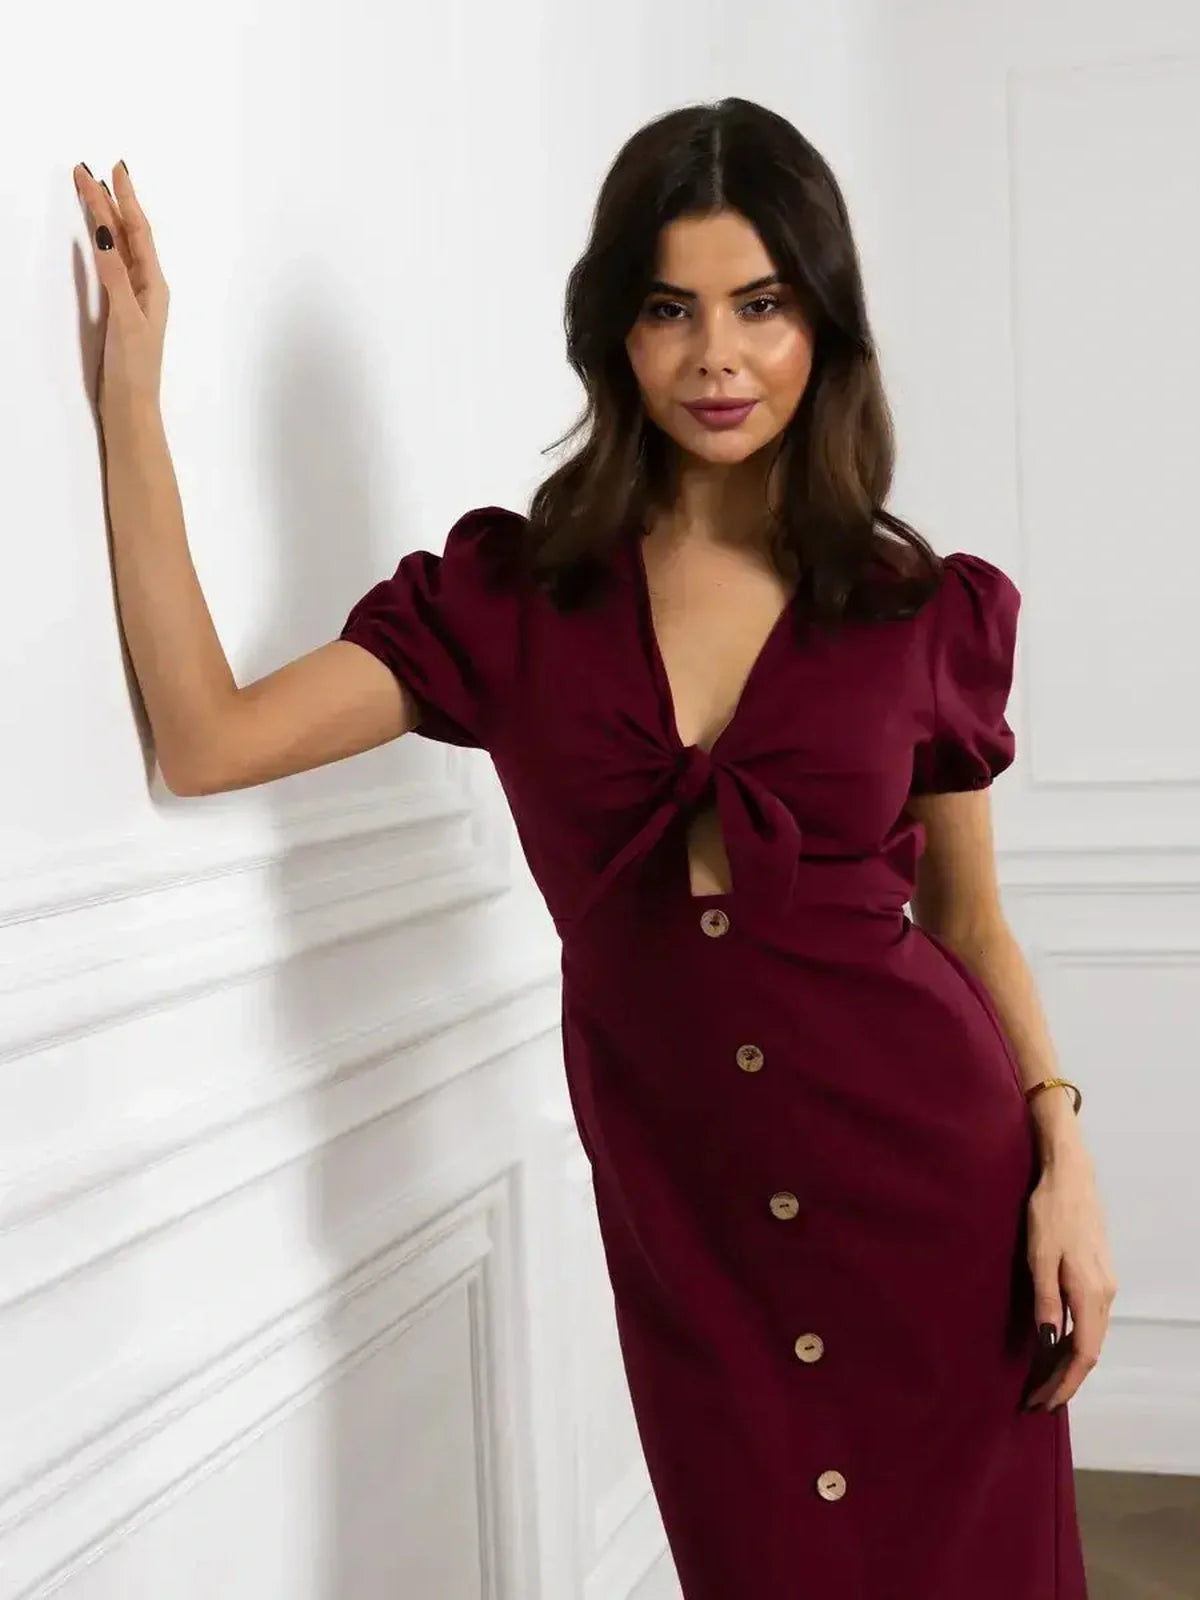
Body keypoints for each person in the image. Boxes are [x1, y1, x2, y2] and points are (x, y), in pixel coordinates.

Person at [73, 98, 1116, 1599]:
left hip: (938, 1211)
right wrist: (131, 400)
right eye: (669, 308)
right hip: (701, 1253)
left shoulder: (915, 606)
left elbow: (969, 925)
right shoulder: (513, 599)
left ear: (821, 321)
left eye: (762, 305)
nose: (718, 357)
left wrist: (1064, 1162)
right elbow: (206, 737)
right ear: (613, 335)